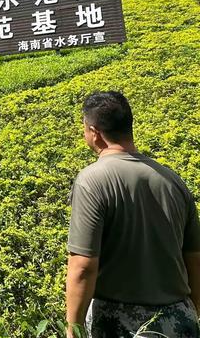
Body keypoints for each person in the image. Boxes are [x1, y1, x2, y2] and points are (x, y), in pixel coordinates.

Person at [66, 91, 200, 338]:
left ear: (94, 133)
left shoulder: (91, 180)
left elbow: (83, 266)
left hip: (121, 322)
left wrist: (72, 331)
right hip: (180, 318)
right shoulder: (173, 181)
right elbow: (194, 258)